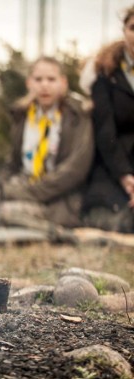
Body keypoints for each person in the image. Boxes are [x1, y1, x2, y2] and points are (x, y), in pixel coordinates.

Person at [0, 57, 94, 235]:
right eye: (38, 79)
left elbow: (76, 169)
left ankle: (59, 233)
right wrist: (2, 187)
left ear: (63, 83)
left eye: (51, 79)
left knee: (7, 212)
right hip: (24, 184)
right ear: (29, 83)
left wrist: (24, 192)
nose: (44, 85)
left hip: (59, 197)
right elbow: (13, 163)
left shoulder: (78, 114)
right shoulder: (24, 114)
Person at [81, 6, 134, 232]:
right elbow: (105, 131)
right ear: (124, 30)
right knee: (108, 213)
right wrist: (126, 177)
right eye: (133, 27)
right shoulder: (105, 73)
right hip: (114, 166)